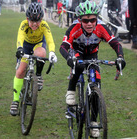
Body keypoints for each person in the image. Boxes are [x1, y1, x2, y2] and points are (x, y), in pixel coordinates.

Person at [59, 1, 126, 137]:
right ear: (80, 20)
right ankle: (71, 90)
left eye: (92, 20)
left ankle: (94, 121)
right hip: (76, 52)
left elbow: (115, 43)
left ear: (97, 19)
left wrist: (120, 57)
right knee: (79, 65)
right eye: (85, 20)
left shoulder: (102, 27)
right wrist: (68, 58)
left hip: (93, 54)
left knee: (96, 84)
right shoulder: (74, 28)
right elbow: (63, 47)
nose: (89, 23)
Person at [10, 2, 57, 116]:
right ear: (27, 19)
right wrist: (19, 48)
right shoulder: (24, 24)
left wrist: (52, 52)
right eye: (32, 21)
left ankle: (39, 75)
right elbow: (20, 37)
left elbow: (50, 40)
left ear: (41, 19)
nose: (35, 24)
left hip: (38, 44)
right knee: (20, 71)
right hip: (26, 46)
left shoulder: (44, 25)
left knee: (41, 53)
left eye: (37, 21)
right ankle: (15, 100)